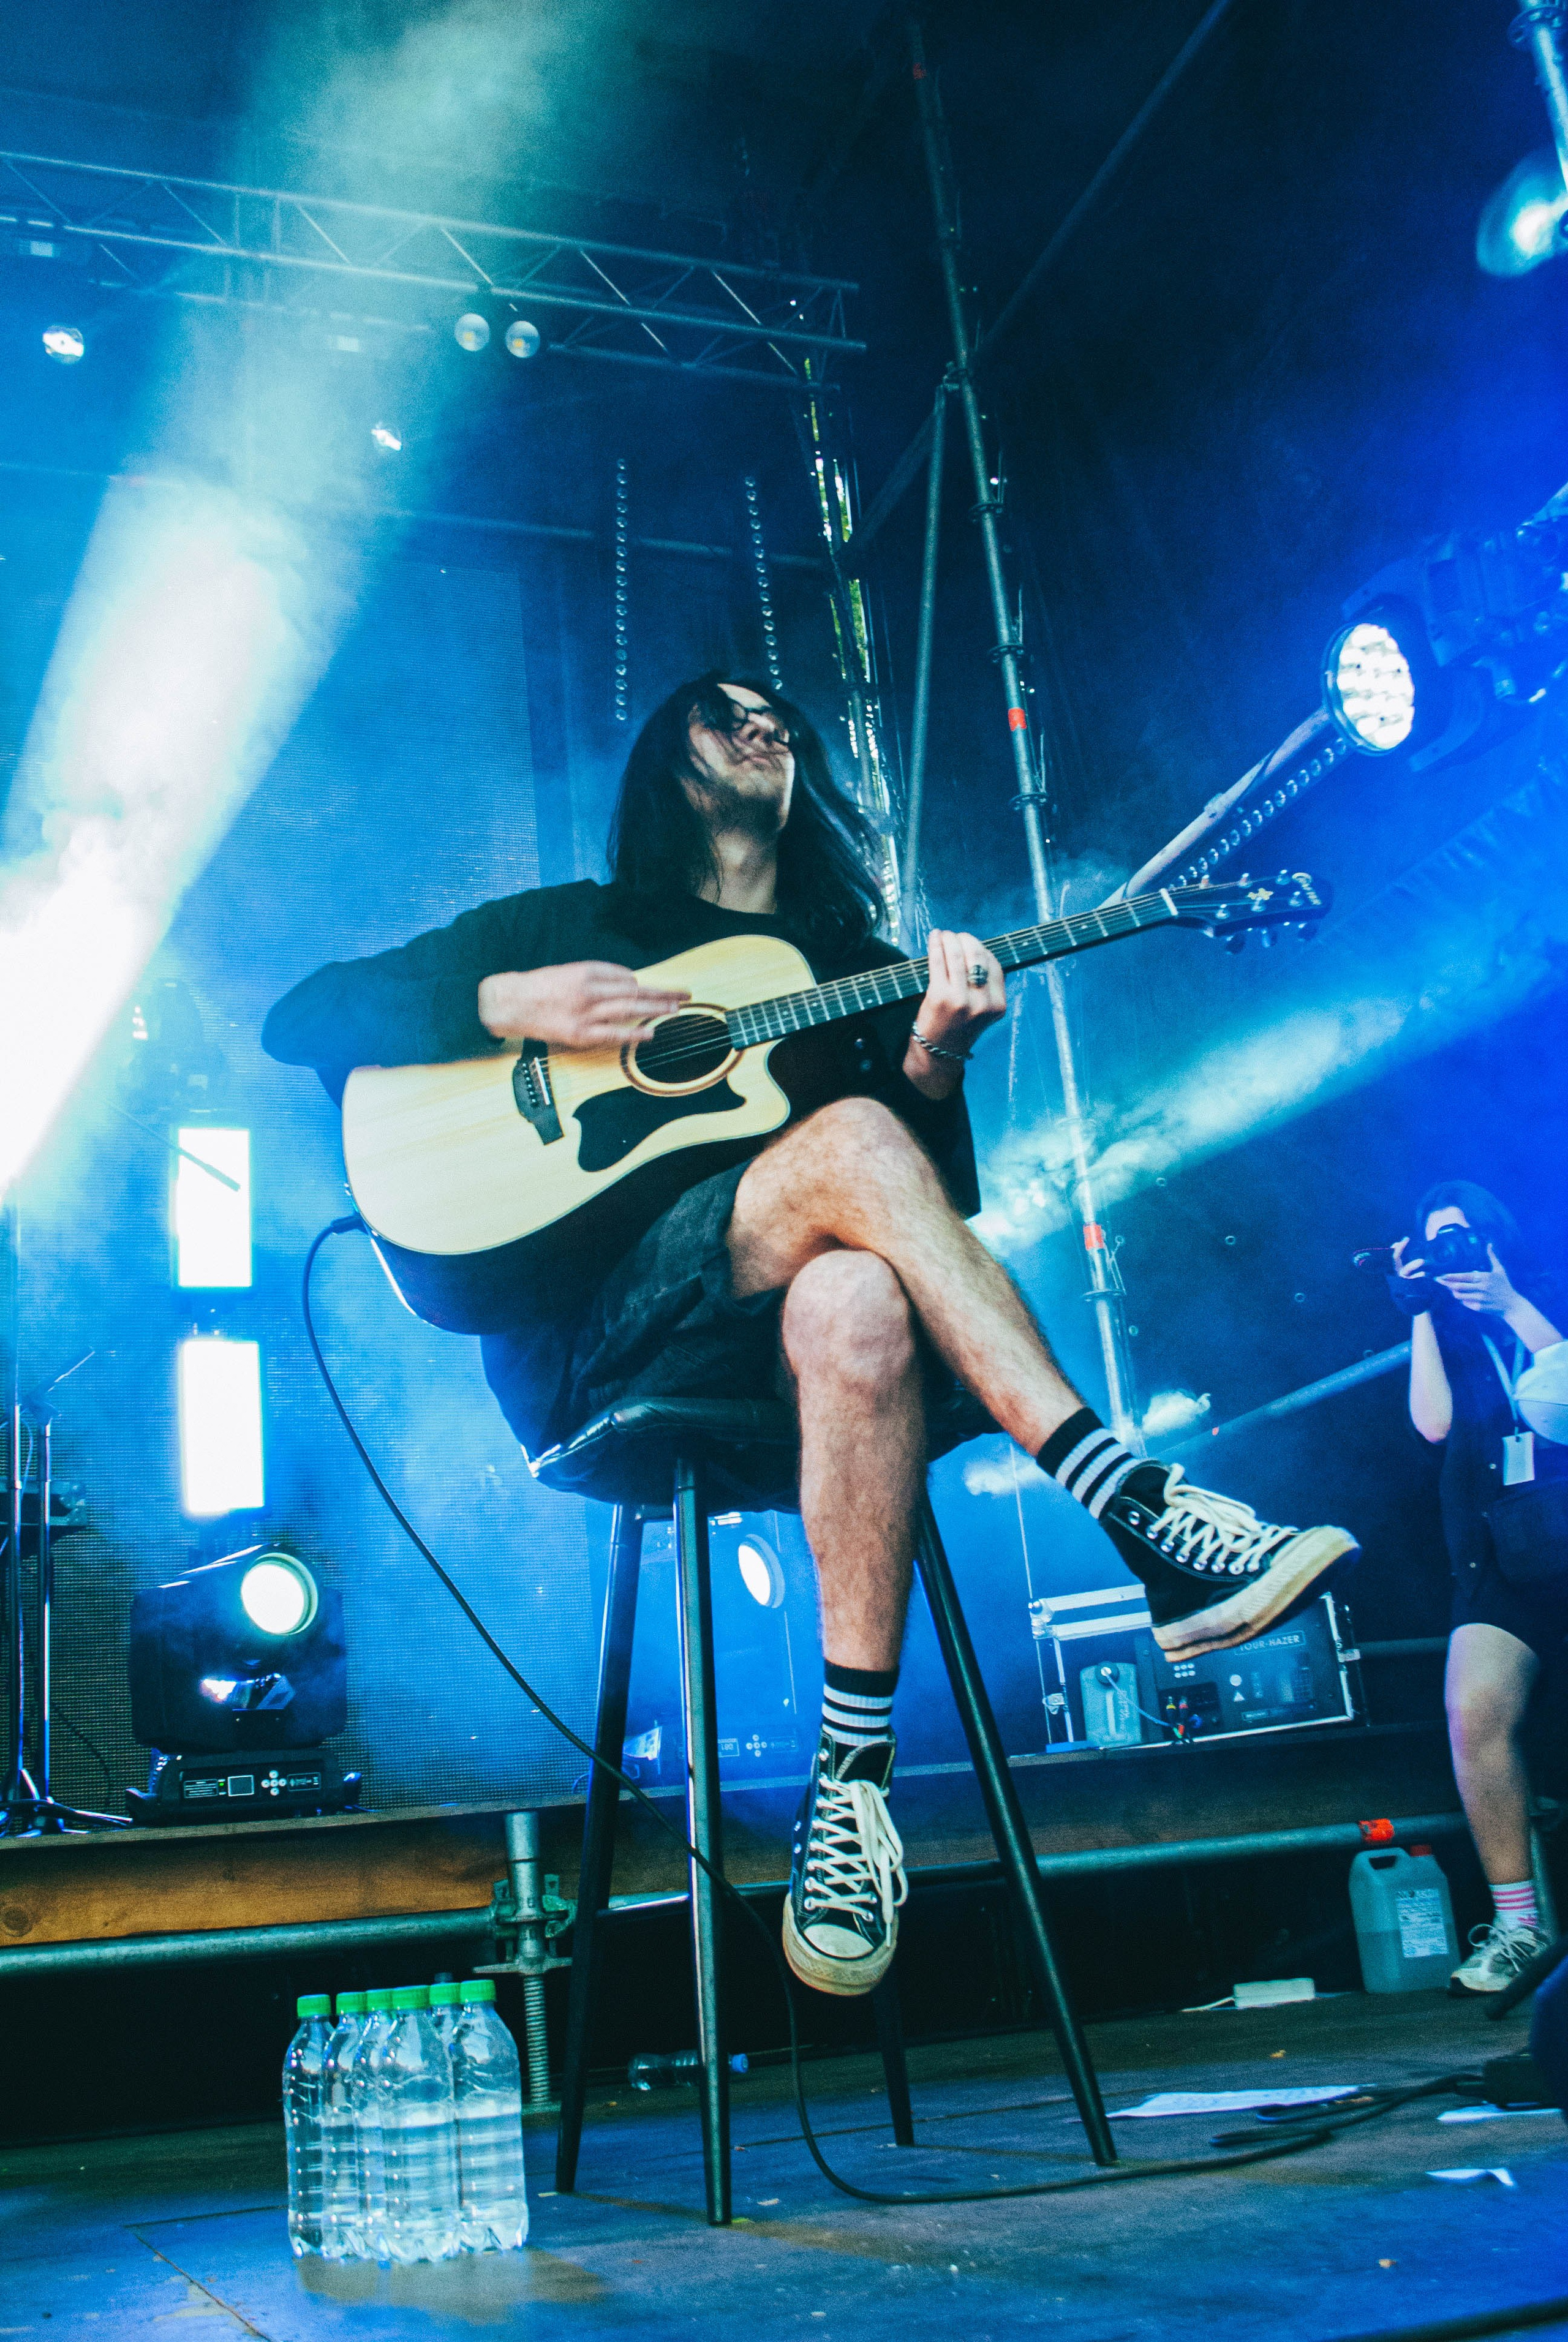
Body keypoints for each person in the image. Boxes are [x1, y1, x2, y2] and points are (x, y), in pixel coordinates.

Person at [265, 672, 1357, 2000]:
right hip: (605, 1345)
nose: (763, 725)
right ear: (671, 758)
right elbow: (303, 1012)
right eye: (727, 714)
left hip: (788, 1354)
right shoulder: (577, 929)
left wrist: (936, 1056)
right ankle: (1132, 1507)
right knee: (842, 1146)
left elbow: (925, 1206)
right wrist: (507, 1002)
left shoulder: (841, 967)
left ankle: (848, 1796)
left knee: (863, 1290)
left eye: (779, 715)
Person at [1392, 1181, 1567, 1994]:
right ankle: (1519, 1924)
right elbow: (1430, 1424)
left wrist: (1512, 1303)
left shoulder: (1545, 1298)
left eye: (1459, 1236)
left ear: (1494, 1236)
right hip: (1496, 1560)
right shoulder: (1451, 1335)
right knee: (1474, 1711)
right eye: (1434, 1243)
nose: (1449, 1254)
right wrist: (1422, 1310)